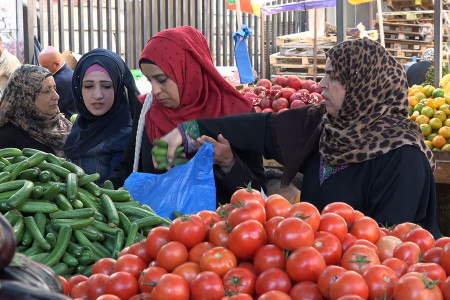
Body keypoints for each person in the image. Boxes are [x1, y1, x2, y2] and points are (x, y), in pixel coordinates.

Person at [158, 37, 441, 238]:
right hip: (314, 264)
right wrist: (188, 131)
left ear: (362, 86)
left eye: (333, 77)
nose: (321, 84)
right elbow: (260, 128)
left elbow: (388, 246)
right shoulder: (325, 124)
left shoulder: (403, 157)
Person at [108, 26, 266, 205]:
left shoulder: (237, 112)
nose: (155, 90)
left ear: (189, 69)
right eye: (149, 80)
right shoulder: (147, 108)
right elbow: (128, 168)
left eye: (162, 79)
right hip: (156, 229)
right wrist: (99, 193)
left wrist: (229, 163)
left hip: (221, 229)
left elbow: (260, 195)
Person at [63, 48, 139, 183]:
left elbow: (116, 194)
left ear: (118, 88)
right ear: (78, 89)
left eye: (106, 86)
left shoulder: (125, 136)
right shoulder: (81, 125)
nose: (98, 95)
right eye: (88, 86)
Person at [0, 64, 72, 155]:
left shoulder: (62, 123)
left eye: (55, 88)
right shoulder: (7, 138)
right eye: (46, 91)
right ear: (25, 98)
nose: (56, 96)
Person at [38, 46, 77, 120]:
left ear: (57, 64)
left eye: (45, 67)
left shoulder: (61, 81)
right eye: (40, 66)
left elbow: (48, 109)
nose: (41, 70)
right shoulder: (66, 73)